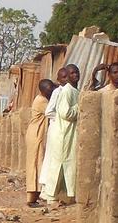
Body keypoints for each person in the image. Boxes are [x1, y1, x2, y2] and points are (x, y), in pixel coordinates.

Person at [41, 65, 81, 204]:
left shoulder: (75, 91)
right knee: (58, 164)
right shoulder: (66, 91)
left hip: (69, 133)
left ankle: (66, 195)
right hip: (63, 133)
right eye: (72, 73)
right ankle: (50, 196)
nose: (75, 75)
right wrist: (80, 107)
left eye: (76, 72)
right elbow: (65, 113)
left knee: (68, 164)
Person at [25, 80, 57, 207]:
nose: (51, 91)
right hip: (36, 134)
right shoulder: (41, 101)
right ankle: (31, 198)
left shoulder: (42, 98)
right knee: (34, 165)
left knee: (39, 164)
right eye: (49, 89)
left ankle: (36, 194)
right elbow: (54, 110)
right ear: (42, 90)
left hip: (38, 134)